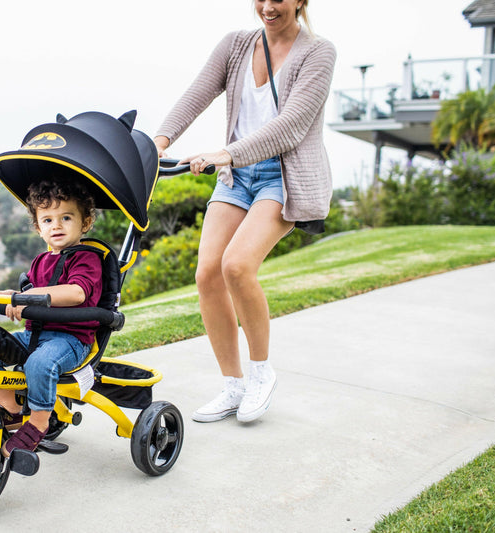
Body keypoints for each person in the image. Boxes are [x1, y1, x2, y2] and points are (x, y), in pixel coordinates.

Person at [153, 0, 336, 423]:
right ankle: (233, 385)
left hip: (282, 175)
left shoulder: (318, 52)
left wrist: (227, 153)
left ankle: (260, 373)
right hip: (235, 177)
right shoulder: (236, 45)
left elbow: (291, 125)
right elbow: (198, 92)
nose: (268, 6)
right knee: (208, 273)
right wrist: (159, 141)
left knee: (237, 266)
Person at [0, 178, 102, 456]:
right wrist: (10, 297)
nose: (57, 225)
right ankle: (14, 411)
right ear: (39, 228)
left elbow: (76, 293)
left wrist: (31, 294)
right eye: (48, 220)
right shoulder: (39, 262)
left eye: (66, 217)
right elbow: (29, 294)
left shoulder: (87, 258)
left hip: (71, 339)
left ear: (85, 223)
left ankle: (38, 424)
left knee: (40, 363)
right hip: (35, 335)